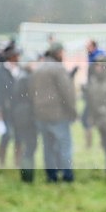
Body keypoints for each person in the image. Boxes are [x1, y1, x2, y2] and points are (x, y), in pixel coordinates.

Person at [30, 42, 77, 183]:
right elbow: (67, 92)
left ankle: (51, 176)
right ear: (57, 53)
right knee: (64, 146)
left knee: (48, 147)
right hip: (58, 115)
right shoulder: (58, 69)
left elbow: (31, 92)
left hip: (40, 115)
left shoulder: (38, 68)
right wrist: (73, 111)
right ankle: (67, 176)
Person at [85, 55, 106, 173]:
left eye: (99, 65)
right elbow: (91, 100)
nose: (97, 68)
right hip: (99, 119)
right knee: (105, 144)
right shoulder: (94, 80)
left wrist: (105, 110)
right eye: (96, 65)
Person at [11, 57, 37, 182]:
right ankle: (27, 176)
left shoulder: (20, 76)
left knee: (25, 145)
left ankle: (25, 174)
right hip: (28, 116)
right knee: (30, 146)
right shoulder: (28, 78)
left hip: (19, 115)